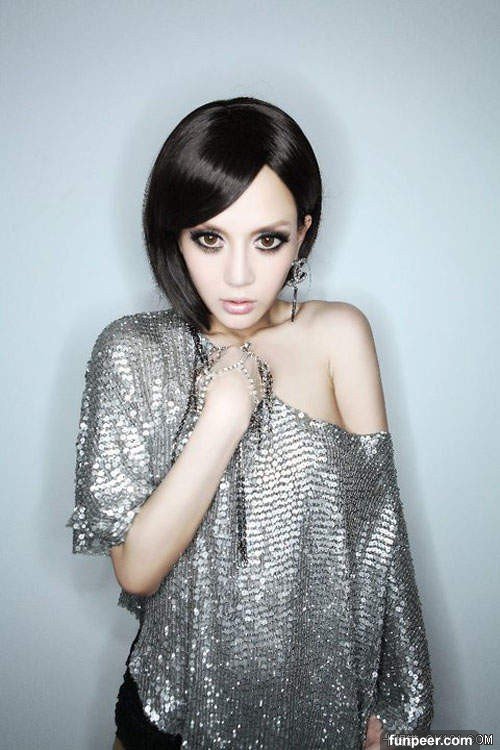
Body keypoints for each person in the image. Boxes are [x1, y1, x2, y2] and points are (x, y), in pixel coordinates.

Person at [66, 96, 434, 750]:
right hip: (171, 712)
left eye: (268, 239)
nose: (238, 276)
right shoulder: (132, 351)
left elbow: (379, 529)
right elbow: (136, 570)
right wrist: (224, 416)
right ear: (174, 233)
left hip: (321, 710)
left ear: (303, 234)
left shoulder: (338, 334)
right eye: (209, 238)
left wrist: (401, 700)